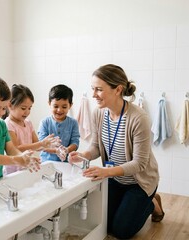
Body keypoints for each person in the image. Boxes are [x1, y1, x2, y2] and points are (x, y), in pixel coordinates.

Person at [68, 64, 165, 239]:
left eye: (99, 89)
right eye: (93, 89)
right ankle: (134, 204)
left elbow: (140, 163)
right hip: (115, 178)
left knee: (122, 231)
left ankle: (152, 202)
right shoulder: (99, 113)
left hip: (139, 182)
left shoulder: (139, 118)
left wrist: (106, 171)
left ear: (118, 89)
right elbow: (96, 146)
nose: (93, 94)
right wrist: (83, 155)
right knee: (104, 223)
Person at [3, 84, 59, 174]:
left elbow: (38, 146)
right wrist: (41, 143)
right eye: (23, 108)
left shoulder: (28, 123)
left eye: (30, 108)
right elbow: (15, 149)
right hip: (14, 171)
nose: (27, 112)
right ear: (9, 105)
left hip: (27, 167)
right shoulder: (8, 124)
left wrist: (55, 150)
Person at [38, 84, 80, 162]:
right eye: (56, 106)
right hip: (46, 162)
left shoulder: (73, 123)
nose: (59, 110)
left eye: (64, 107)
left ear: (70, 105)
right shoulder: (44, 123)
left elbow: (75, 142)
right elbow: (41, 145)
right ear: (49, 104)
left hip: (65, 163)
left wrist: (67, 150)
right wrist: (56, 151)